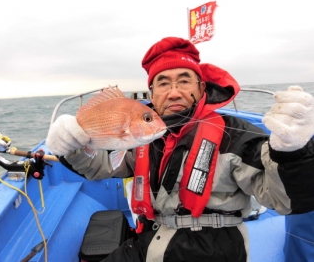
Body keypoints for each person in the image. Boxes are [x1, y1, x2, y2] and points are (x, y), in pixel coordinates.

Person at [46, 37, 314, 262]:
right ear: (151, 93)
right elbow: (101, 166)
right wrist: (70, 147)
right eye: (163, 83)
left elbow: (284, 199)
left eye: (184, 81)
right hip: (150, 238)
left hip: (212, 248)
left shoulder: (234, 134)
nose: (174, 92)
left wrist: (293, 153)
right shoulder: (144, 137)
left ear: (201, 88)